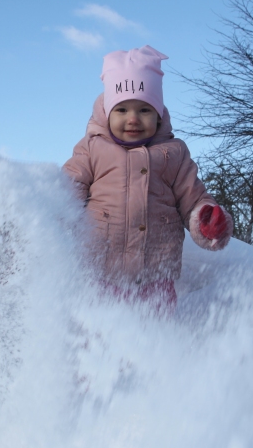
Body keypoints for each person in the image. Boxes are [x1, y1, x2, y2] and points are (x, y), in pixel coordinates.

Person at [62, 45, 233, 311]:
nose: (133, 119)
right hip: (99, 274)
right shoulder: (92, 149)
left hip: (156, 279)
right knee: (96, 340)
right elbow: (67, 191)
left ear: (158, 113)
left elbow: (194, 198)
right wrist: (50, 219)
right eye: (121, 110)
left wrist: (206, 219)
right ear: (107, 113)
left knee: (154, 341)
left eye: (144, 110)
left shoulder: (174, 154)